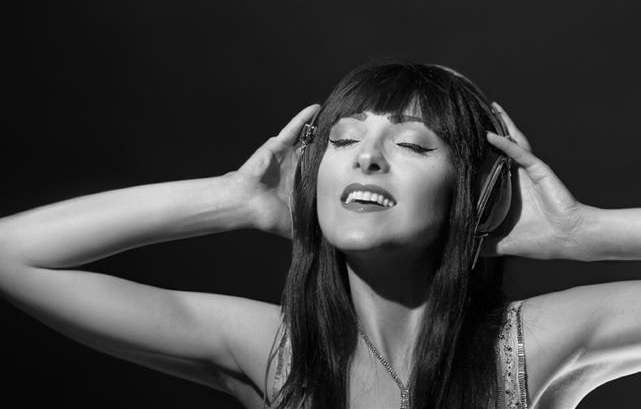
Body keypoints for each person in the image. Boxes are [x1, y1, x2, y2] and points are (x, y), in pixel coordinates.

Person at [0, 61, 639, 408]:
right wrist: (232, 199)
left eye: (413, 145)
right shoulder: (275, 355)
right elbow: (12, 255)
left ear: (476, 193)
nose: (367, 157)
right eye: (343, 138)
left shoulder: (529, 347)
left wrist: (583, 231)